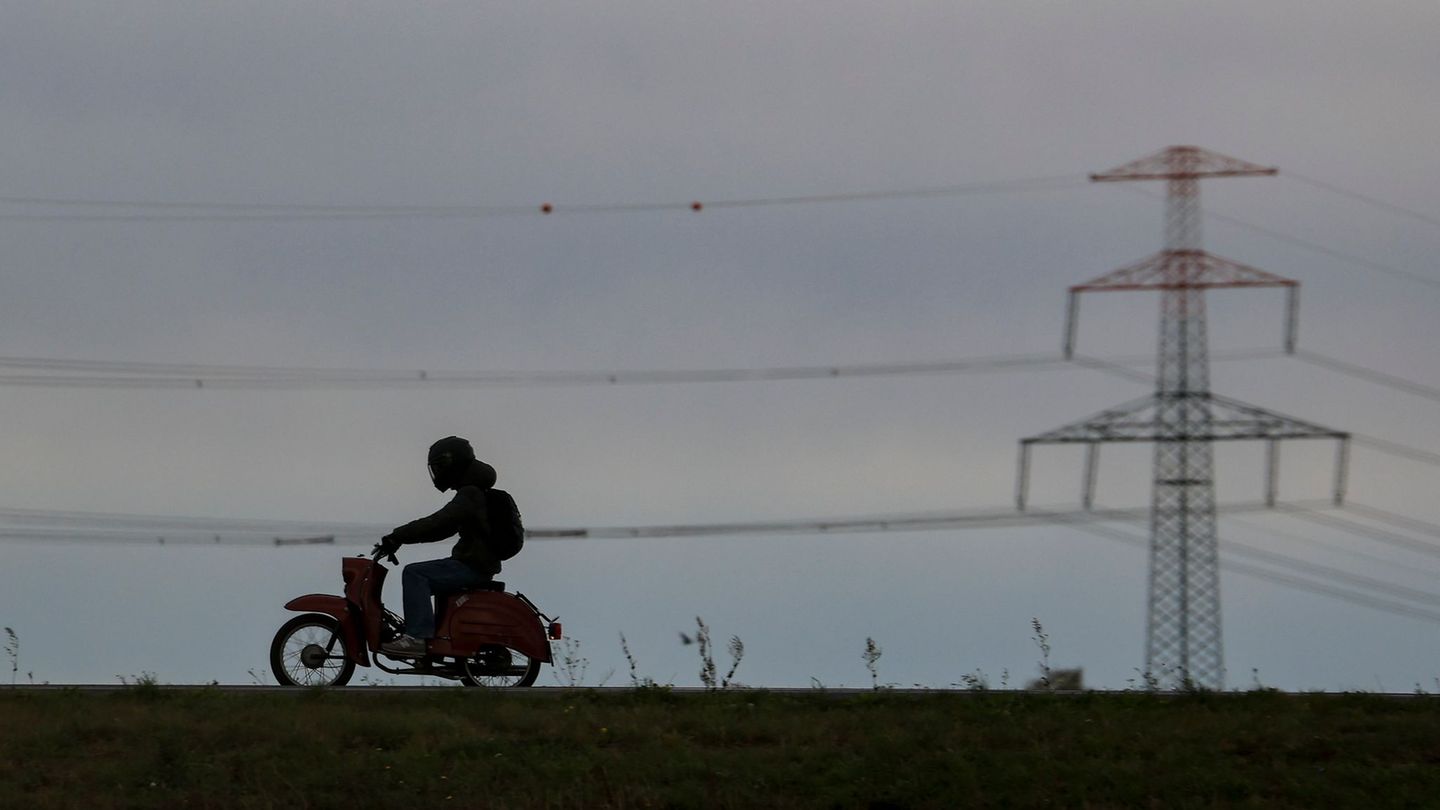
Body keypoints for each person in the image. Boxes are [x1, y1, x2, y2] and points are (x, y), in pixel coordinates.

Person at [374, 436, 503, 657]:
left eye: (439, 466)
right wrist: (401, 539)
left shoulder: (470, 494)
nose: (437, 472)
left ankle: (417, 638)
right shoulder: (475, 493)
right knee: (424, 573)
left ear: (452, 464)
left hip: (472, 565)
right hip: (476, 563)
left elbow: (439, 522)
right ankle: (432, 636)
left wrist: (397, 536)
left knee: (415, 574)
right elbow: (442, 529)